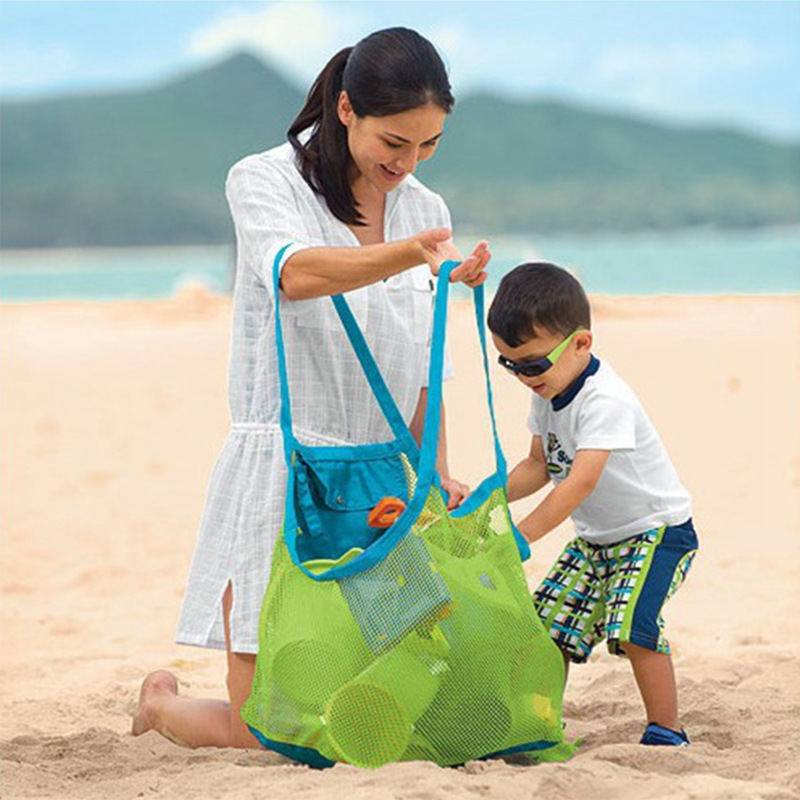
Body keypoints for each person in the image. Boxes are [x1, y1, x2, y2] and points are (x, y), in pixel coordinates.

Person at [131, 27, 490, 749]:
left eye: (428, 145)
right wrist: (407, 255)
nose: (407, 163)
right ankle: (162, 705)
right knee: (269, 730)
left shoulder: (425, 209)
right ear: (347, 109)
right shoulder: (263, 180)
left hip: (385, 484)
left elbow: (426, 364)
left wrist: (437, 471)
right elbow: (293, 274)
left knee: (392, 711)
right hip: (286, 468)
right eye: (395, 142)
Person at [487, 262, 698, 747]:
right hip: (597, 541)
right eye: (509, 364)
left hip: (656, 534)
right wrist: (487, 497)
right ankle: (541, 723)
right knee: (548, 629)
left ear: (581, 343)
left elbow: (579, 483)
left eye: (532, 364)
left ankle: (667, 729)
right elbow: (538, 465)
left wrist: (521, 536)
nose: (522, 376)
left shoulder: (605, 400)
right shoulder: (548, 390)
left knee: (633, 627)